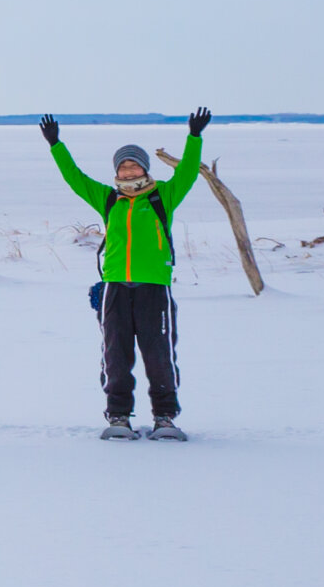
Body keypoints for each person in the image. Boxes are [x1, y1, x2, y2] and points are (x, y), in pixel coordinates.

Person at [40, 108, 209, 440]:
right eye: (123, 165)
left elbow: (188, 173)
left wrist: (194, 137)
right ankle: (118, 418)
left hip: (154, 288)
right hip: (116, 286)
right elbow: (75, 178)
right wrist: (56, 145)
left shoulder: (163, 197)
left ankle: (165, 418)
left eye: (134, 164)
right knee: (115, 355)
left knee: (159, 355)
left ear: (145, 168)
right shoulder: (108, 198)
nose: (128, 170)